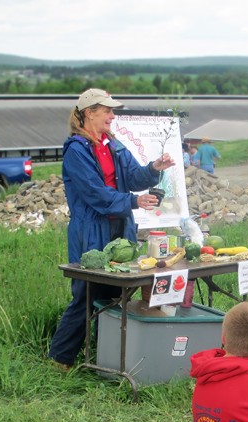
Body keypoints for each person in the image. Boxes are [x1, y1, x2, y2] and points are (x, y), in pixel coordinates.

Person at [48, 88, 175, 369]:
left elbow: (132, 177)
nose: (112, 115)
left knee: (115, 294)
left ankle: (103, 356)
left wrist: (154, 168)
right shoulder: (76, 151)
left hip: (120, 227)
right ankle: (60, 359)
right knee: (87, 294)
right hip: (91, 229)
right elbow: (95, 193)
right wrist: (133, 200)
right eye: (106, 110)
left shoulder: (113, 144)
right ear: (89, 113)